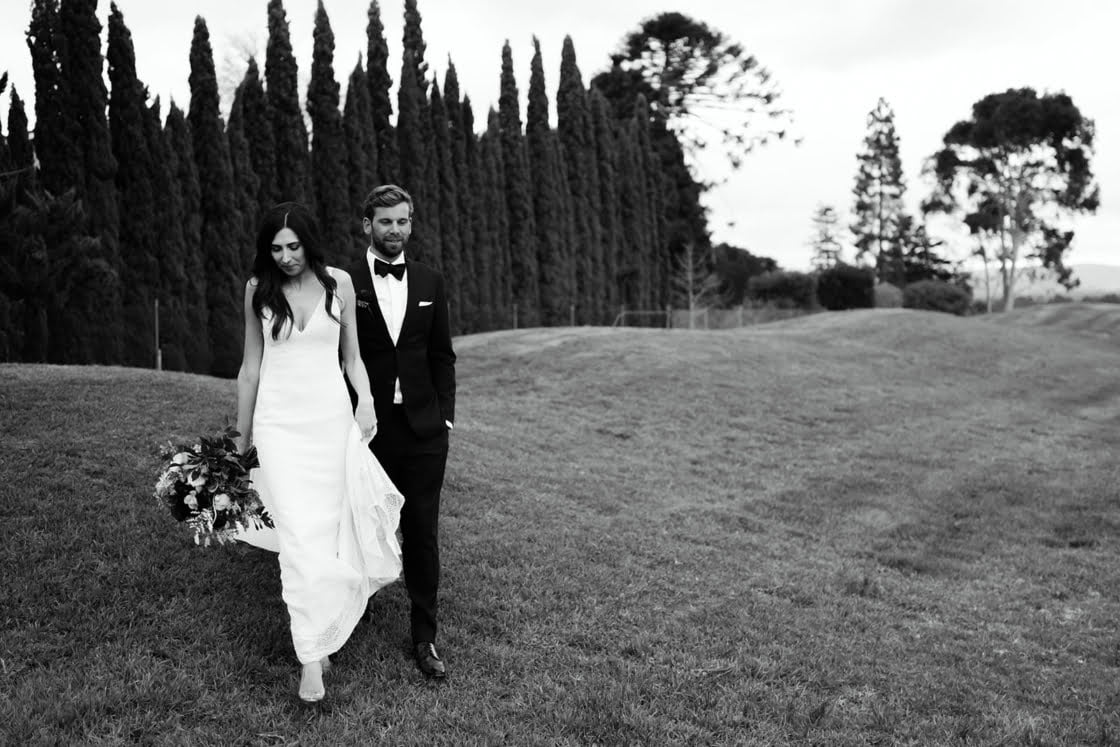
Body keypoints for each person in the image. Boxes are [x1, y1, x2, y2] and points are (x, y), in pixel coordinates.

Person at [235, 202, 404, 703]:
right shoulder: (258, 290)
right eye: (276, 249)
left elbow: (353, 358)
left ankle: (322, 626)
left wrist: (366, 401)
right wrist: (240, 441)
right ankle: (310, 658)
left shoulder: (339, 284)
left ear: (309, 242)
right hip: (278, 427)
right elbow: (249, 369)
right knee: (297, 536)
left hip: (330, 423)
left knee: (327, 532)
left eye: (293, 246)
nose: (285, 257)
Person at [349, 184, 456, 679]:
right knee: (362, 523)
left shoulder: (431, 280)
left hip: (423, 428)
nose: (395, 230)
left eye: (402, 221)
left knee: (421, 530)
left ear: (411, 224)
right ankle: (354, 612)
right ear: (367, 225)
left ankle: (424, 636)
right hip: (367, 428)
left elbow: (441, 355)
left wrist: (445, 416)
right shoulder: (344, 282)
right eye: (386, 221)